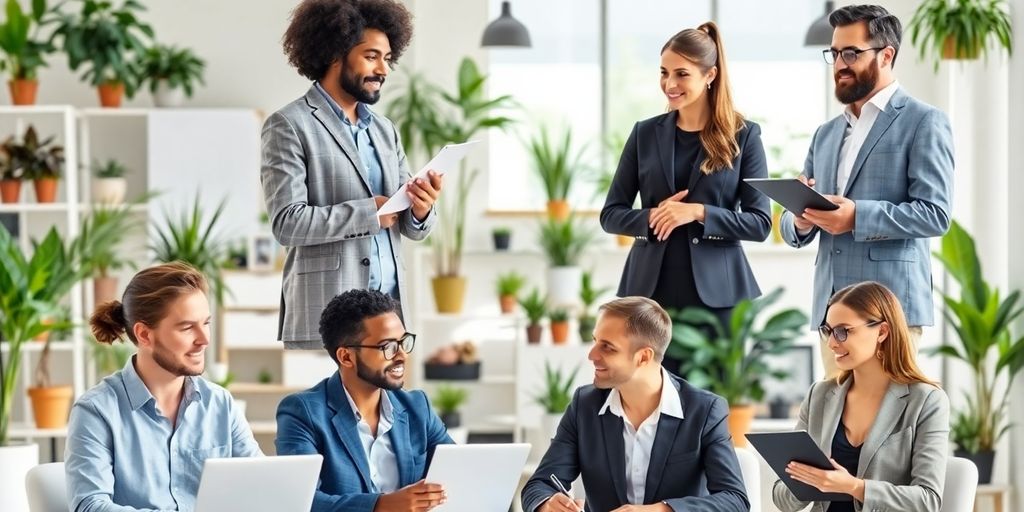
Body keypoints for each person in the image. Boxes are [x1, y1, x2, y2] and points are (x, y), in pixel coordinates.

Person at [778, 4, 954, 375]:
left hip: (888, 312)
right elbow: (796, 227)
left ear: (886, 54)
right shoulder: (825, 134)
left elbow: (935, 214)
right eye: (835, 53)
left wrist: (856, 216)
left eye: (851, 53)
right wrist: (801, 220)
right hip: (833, 314)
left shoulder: (924, 122)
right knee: (837, 428)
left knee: (885, 428)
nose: (840, 63)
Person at [262, 0, 443, 350]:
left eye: (387, 58)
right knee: (326, 407)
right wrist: (369, 214)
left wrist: (420, 208)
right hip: (327, 315)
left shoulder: (385, 130)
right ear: (334, 53)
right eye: (371, 56)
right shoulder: (289, 125)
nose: (384, 69)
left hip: (388, 316)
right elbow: (287, 223)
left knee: (383, 407)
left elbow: (407, 225)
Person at [599, 21, 771, 375]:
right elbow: (611, 214)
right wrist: (653, 217)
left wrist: (697, 212)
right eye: (664, 73)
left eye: (681, 74)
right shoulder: (644, 134)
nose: (669, 84)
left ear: (710, 75)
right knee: (647, 396)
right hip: (650, 294)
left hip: (718, 298)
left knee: (712, 405)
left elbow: (760, 223)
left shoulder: (744, 135)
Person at [521, 297, 748, 512]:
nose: (592, 355)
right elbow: (539, 484)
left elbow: (734, 500)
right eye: (594, 341)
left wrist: (660, 509)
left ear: (643, 357)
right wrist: (548, 503)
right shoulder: (584, 406)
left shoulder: (705, 410)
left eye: (607, 347)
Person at [66, 262, 262, 512]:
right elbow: (90, 506)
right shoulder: (96, 411)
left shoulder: (220, 403)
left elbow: (259, 485)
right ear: (145, 335)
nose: (204, 339)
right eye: (187, 327)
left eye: (206, 323)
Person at [772, 281, 949, 512]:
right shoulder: (819, 395)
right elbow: (782, 498)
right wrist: (806, 480)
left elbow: (928, 501)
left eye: (843, 331)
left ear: (882, 332)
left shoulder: (927, 401)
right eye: (828, 331)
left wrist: (855, 487)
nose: (832, 343)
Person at [276, 289, 452, 512]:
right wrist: (381, 505)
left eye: (403, 342)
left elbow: (457, 472)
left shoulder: (417, 406)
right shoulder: (302, 412)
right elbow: (299, 498)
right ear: (346, 357)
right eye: (387, 346)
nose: (401, 355)